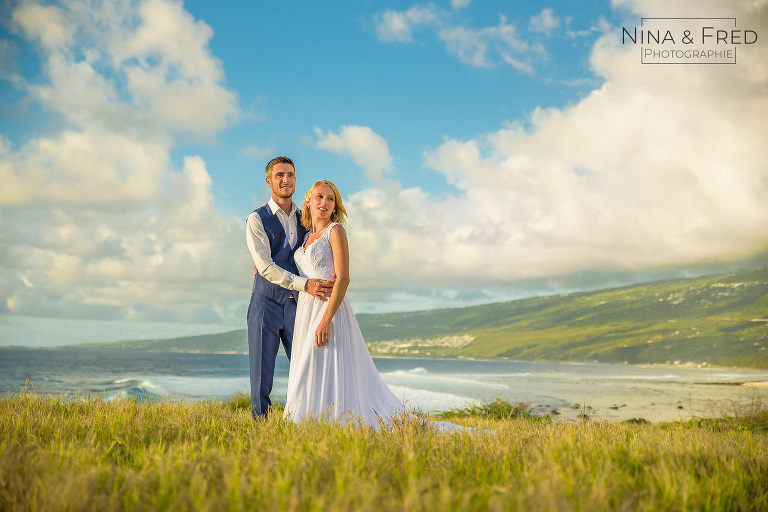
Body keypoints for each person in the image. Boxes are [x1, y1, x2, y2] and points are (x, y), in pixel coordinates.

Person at [284, 180, 476, 433]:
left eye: (330, 199)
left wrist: (326, 320)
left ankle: (334, 418)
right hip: (305, 312)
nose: (324, 202)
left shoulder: (336, 231)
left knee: (327, 361)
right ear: (308, 201)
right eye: (319, 197)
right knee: (309, 365)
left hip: (328, 310)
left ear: (335, 206)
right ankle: (306, 420)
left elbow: (343, 278)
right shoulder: (306, 237)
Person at [246, 157, 334, 419]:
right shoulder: (256, 219)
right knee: (262, 373)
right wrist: (305, 284)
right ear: (269, 181)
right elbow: (264, 266)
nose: (286, 180)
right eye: (280, 175)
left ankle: (313, 418)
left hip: (299, 305)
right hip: (266, 303)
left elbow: (318, 248)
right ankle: (259, 426)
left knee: (309, 364)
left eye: (291, 175)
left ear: (296, 180)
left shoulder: (305, 218)